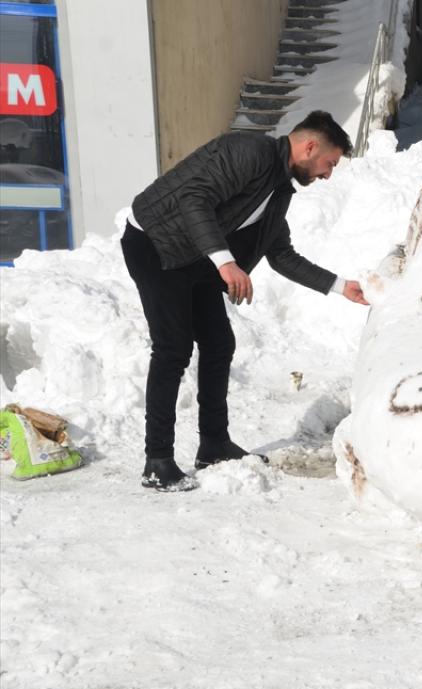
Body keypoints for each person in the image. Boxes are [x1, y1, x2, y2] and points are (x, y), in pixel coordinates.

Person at [122, 110, 368, 492]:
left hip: (198, 254)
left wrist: (340, 286)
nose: (327, 174)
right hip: (156, 244)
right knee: (173, 348)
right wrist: (226, 263)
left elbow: (280, 254)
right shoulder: (247, 151)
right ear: (309, 147)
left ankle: (214, 445)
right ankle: (158, 461)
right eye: (329, 163)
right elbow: (193, 198)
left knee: (220, 342)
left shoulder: (279, 188)